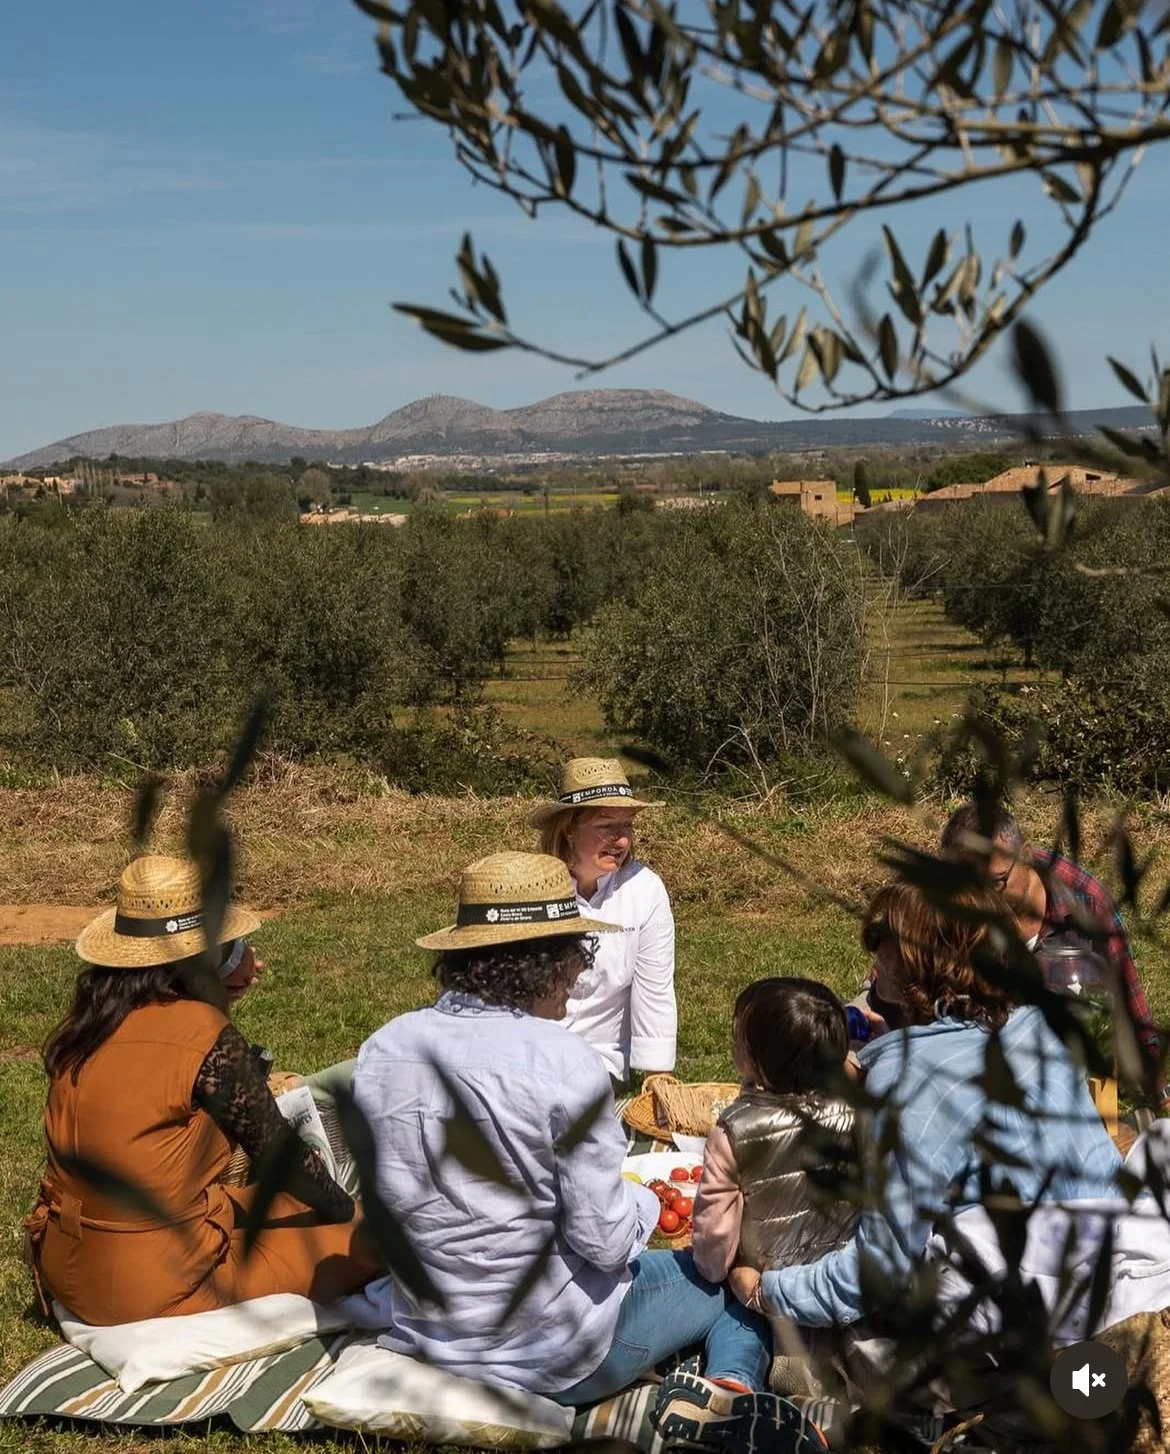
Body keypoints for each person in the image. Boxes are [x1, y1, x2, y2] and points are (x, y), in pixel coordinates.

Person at [352, 852, 801, 1443]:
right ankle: (731, 1392)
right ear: (547, 963)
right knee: (731, 1278)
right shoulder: (562, 1063)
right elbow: (606, 1241)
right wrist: (641, 1203)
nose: (581, 974)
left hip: (432, 1336)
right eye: (577, 955)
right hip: (555, 1357)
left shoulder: (384, 1049)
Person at [729, 879, 1123, 1333]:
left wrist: (767, 1290)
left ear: (921, 961)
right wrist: (888, 1054)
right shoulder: (1035, 1024)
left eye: (884, 941)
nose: (873, 952)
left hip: (1042, 1306)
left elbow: (876, 1270)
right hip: (1113, 1254)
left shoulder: (915, 1083)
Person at [26, 855, 378, 1326]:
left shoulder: (89, 1022)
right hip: (153, 1284)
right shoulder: (200, 1030)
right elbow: (282, 1157)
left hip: (64, 1259)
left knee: (289, 1206)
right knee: (378, 1236)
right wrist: (345, 1210)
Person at [691, 978, 858, 1395]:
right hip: (839, 1284)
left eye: (739, 1039)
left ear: (762, 1061)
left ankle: (735, 1380)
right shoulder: (859, 1110)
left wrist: (714, 1271)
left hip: (767, 1289)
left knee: (732, 1313)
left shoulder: (736, 1131)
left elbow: (716, 1230)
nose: (732, 1044)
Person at [940, 802, 1164, 1104]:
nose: (981, 899)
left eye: (994, 883)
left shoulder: (1086, 903)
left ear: (1027, 855)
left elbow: (1127, 995)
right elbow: (898, 971)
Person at [531, 757, 676, 1086]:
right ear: (569, 830)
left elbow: (654, 989)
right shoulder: (532, 888)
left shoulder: (644, 889)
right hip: (529, 1059)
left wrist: (658, 1077)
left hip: (601, 1063)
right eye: (606, 826)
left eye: (627, 826)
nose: (622, 840)